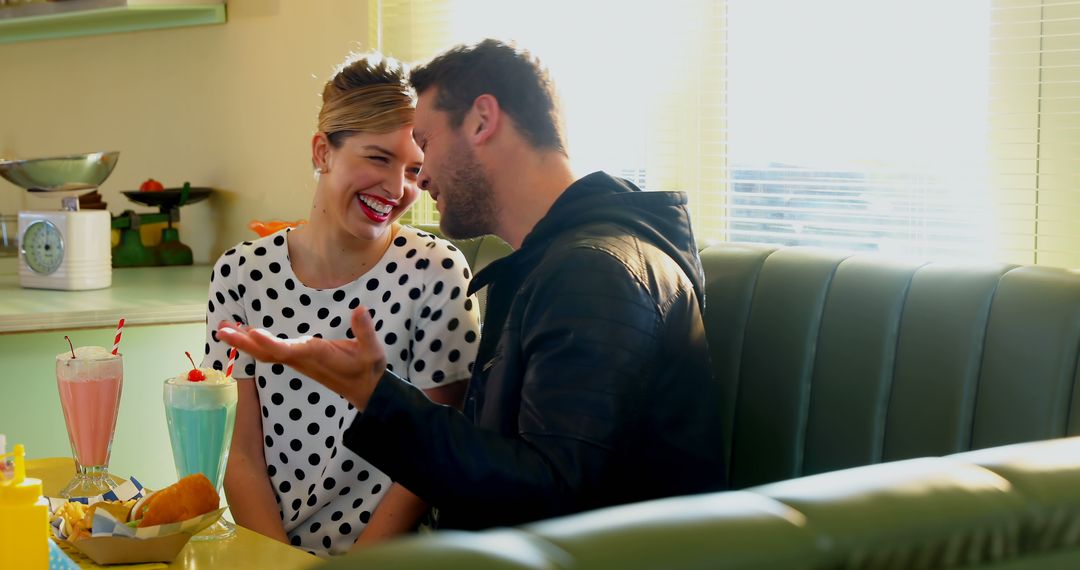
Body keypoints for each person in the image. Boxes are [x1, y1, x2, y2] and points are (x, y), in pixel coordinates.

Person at [216, 39, 726, 532]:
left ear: (482, 120)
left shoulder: (594, 271)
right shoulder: (556, 263)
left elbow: (549, 500)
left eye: (426, 145)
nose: (420, 179)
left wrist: (374, 392)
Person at [201, 52, 480, 556]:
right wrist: (281, 565)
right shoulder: (240, 273)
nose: (397, 189)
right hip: (268, 553)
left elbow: (434, 456)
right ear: (322, 152)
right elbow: (238, 454)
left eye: (415, 169)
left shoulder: (436, 269)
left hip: (391, 558)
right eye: (378, 158)